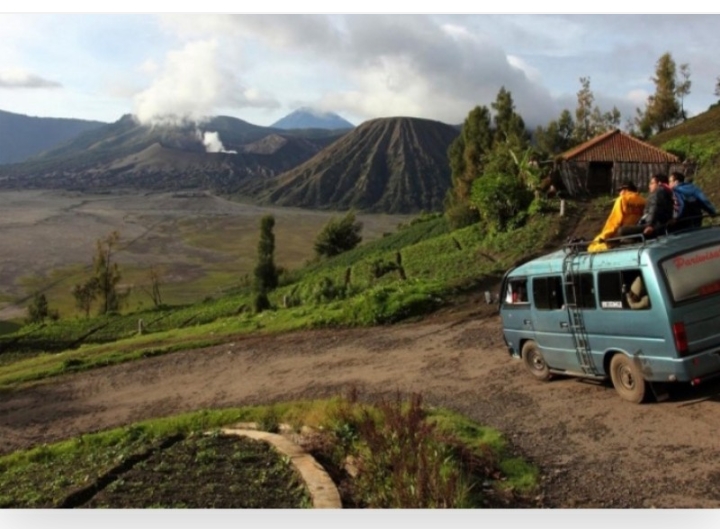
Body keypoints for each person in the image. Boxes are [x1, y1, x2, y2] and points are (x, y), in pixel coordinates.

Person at [587, 179, 646, 252]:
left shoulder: (622, 199)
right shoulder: (643, 201)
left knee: (592, 247)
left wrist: (603, 236)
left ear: (625, 189)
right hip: (637, 234)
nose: (619, 193)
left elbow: (614, 222)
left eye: (619, 191)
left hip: (623, 234)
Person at [617, 173, 678, 241]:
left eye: (652, 183)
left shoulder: (657, 192)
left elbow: (654, 209)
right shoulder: (669, 192)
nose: (649, 186)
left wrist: (650, 226)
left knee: (621, 230)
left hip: (653, 225)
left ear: (659, 183)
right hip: (662, 225)